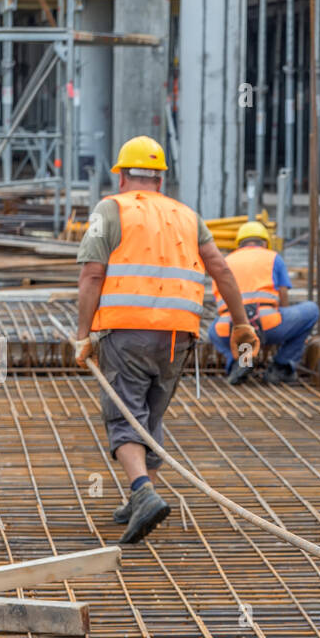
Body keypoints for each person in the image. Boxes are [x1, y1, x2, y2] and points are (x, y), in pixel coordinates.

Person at [74, 135, 257, 543]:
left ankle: (142, 492)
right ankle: (143, 493)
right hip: (179, 334)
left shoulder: (111, 209)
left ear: (121, 175)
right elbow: (221, 271)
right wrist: (241, 322)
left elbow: (91, 274)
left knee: (124, 413)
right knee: (151, 413)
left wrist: (82, 335)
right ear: (160, 179)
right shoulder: (187, 215)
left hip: (126, 331)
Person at [207, 220, 319, 385]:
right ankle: (281, 366)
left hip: (230, 329)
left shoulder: (225, 261)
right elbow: (283, 295)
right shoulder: (273, 257)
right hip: (268, 324)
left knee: (212, 330)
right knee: (311, 310)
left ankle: (240, 361)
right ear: (265, 242)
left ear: (238, 244)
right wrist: (284, 326)